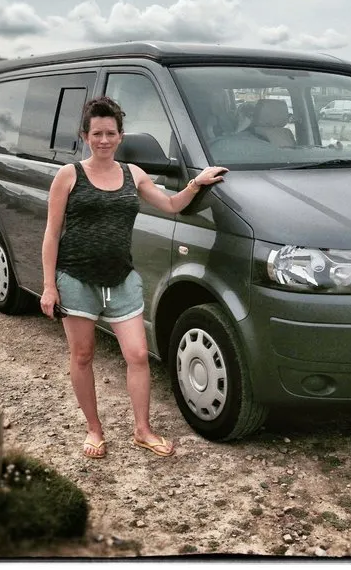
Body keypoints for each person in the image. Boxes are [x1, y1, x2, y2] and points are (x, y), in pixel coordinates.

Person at [40, 96, 228, 459]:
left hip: (121, 279)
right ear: (85, 135)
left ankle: (142, 430)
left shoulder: (133, 174)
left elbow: (171, 205)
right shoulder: (69, 175)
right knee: (82, 355)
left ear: (120, 135)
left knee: (138, 354)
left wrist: (198, 183)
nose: (104, 140)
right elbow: (51, 234)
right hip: (76, 279)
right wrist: (49, 286)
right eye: (97, 133)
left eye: (111, 133)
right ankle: (94, 429)